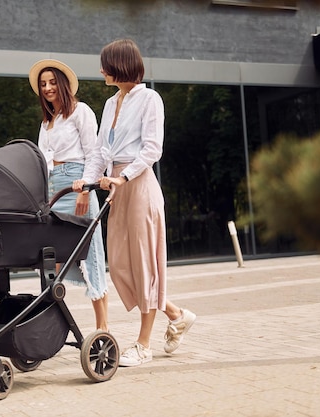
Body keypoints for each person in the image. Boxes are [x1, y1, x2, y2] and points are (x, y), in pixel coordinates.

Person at [73, 39, 196, 366]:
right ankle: (177, 314)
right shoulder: (111, 104)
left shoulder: (150, 99)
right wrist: (87, 183)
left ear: (121, 65)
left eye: (106, 64)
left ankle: (143, 344)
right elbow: (100, 151)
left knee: (144, 265)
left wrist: (123, 177)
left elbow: (152, 150)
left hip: (139, 187)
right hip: (117, 190)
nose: (101, 70)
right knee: (121, 263)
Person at [28, 59, 109, 331]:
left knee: (91, 253)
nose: (48, 88)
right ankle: (48, 325)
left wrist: (87, 186)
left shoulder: (80, 111)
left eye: (52, 82)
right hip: (53, 187)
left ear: (62, 83)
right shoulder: (47, 122)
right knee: (53, 258)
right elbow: (43, 160)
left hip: (76, 185)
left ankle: (103, 327)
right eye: (43, 84)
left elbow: (94, 152)